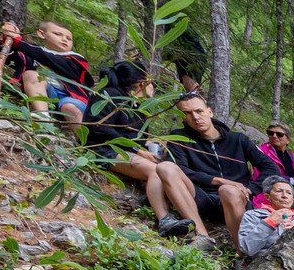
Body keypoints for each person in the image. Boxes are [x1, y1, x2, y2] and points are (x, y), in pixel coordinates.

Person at [83, 61, 209, 242]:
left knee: (163, 168)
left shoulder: (139, 107)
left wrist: (151, 143)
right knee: (155, 170)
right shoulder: (110, 95)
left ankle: (185, 220)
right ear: (143, 83)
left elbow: (133, 135)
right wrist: (137, 150)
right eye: (151, 82)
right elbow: (100, 128)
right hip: (102, 149)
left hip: (124, 150)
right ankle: (164, 219)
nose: (153, 87)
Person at [168, 92, 268, 250]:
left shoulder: (237, 139)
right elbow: (180, 169)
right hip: (202, 197)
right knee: (165, 167)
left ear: (209, 111)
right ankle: (202, 236)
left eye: (199, 111)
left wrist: (251, 189)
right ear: (183, 118)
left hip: (236, 199)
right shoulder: (179, 138)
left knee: (228, 190)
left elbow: (270, 167)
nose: (195, 117)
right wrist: (217, 180)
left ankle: (243, 254)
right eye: (188, 113)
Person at [1, 18, 94, 130]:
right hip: (46, 91)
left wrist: (19, 41)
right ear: (41, 33)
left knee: (69, 107)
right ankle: (43, 117)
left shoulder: (77, 58)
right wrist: (8, 36)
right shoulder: (33, 51)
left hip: (72, 96)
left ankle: (84, 143)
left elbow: (49, 58)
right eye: (57, 34)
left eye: (69, 38)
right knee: (30, 74)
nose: (64, 40)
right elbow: (9, 58)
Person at [251, 122, 294, 208]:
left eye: (279, 134)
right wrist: (291, 180)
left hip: (288, 197)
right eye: (271, 133)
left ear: (287, 140)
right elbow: (260, 176)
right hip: (267, 197)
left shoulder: (291, 157)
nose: (274, 136)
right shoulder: (261, 152)